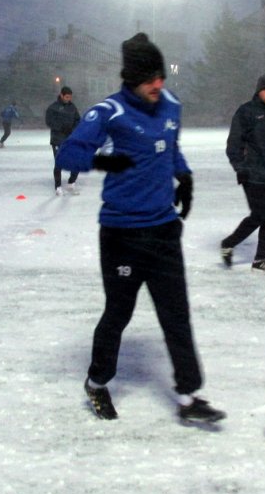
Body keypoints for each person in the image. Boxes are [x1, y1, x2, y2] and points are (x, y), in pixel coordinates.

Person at [56, 32, 226, 424]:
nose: (158, 85)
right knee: (119, 312)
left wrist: (184, 176)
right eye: (150, 78)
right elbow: (70, 151)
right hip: (122, 234)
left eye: (161, 77)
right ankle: (97, 382)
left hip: (164, 229)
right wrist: (104, 163)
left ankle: (190, 396)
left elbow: (172, 144)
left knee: (176, 314)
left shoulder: (170, 105)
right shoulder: (109, 111)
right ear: (132, 79)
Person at [221, 72, 265, 272]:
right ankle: (228, 244)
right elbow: (233, 145)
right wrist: (241, 167)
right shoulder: (246, 112)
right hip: (252, 174)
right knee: (258, 215)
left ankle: (260, 260)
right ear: (259, 91)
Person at [45, 86, 80, 195]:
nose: (69, 99)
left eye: (70, 97)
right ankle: (58, 186)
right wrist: (61, 127)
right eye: (67, 97)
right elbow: (49, 122)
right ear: (61, 95)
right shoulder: (53, 108)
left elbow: (78, 120)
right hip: (58, 139)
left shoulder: (72, 107)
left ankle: (71, 183)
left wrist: (73, 129)